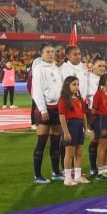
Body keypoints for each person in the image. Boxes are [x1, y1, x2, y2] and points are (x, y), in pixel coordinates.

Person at [29, 44, 63, 184]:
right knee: (42, 142)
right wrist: (43, 110)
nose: (51, 54)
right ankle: (37, 175)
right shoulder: (38, 69)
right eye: (47, 52)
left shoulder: (56, 67)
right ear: (41, 54)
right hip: (45, 109)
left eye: (52, 51)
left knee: (56, 142)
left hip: (57, 109)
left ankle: (55, 172)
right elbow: (37, 90)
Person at [57, 76, 90, 186]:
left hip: (79, 126)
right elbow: (62, 117)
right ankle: (67, 178)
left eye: (77, 84)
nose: (76, 87)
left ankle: (77, 176)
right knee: (69, 153)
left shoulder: (80, 99)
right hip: (70, 126)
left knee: (78, 153)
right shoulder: (63, 100)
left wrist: (86, 128)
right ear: (67, 86)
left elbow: (83, 114)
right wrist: (66, 132)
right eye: (74, 84)